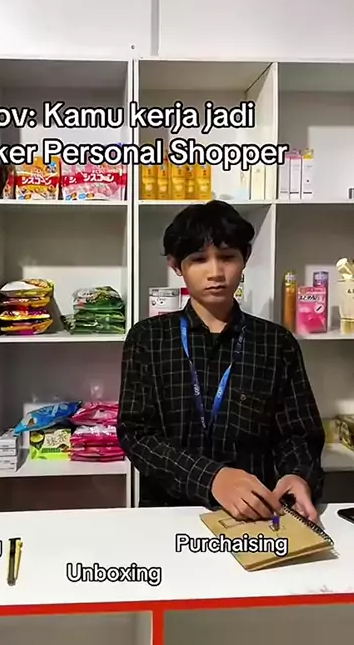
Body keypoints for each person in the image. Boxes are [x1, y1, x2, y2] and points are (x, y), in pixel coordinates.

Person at [117, 200, 325, 520]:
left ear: (245, 258)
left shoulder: (276, 343)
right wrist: (212, 478)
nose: (215, 273)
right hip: (167, 513)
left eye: (227, 257)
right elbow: (136, 434)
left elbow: (297, 434)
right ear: (176, 265)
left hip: (258, 513)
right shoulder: (147, 338)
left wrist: (297, 474)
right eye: (199, 259)